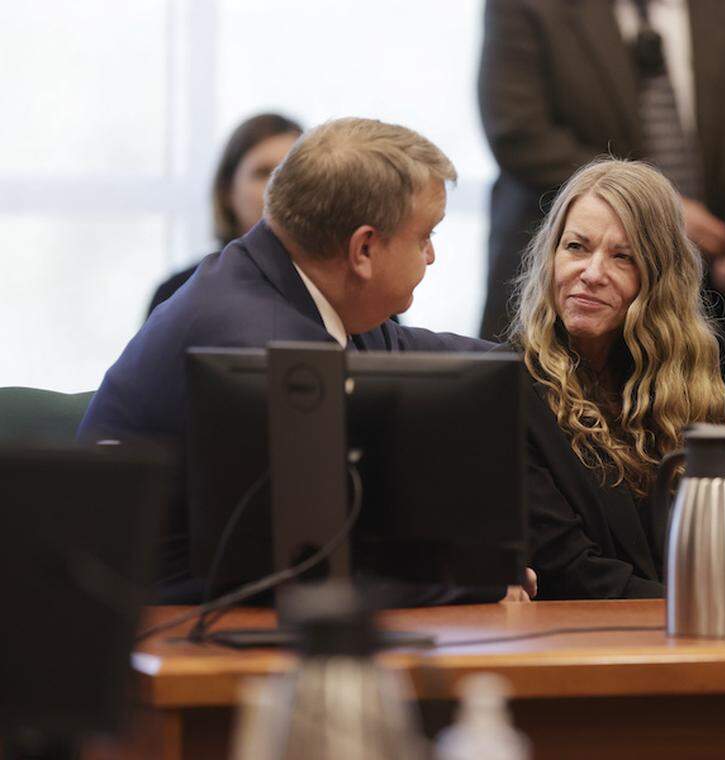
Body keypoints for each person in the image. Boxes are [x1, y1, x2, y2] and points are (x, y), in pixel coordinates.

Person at [79, 118, 523, 603]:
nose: (432, 256)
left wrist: (541, 362)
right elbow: (306, 571)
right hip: (147, 627)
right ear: (364, 249)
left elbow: (406, 352)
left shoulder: (288, 279)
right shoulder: (264, 346)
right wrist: (474, 582)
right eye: (424, 237)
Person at [478, 0, 725, 374]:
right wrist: (659, 211)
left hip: (724, 289)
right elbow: (518, 132)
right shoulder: (527, 6)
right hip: (569, 308)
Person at [509, 159, 725, 599]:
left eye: (622, 256)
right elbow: (572, 573)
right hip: (584, 641)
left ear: (658, 279)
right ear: (551, 255)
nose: (592, 274)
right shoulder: (512, 390)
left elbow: (721, 547)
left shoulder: (688, 387)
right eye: (576, 247)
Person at [148, 113, 303, 315]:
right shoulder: (178, 293)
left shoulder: (336, 290)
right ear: (227, 191)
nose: (279, 187)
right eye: (263, 173)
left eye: (291, 173)